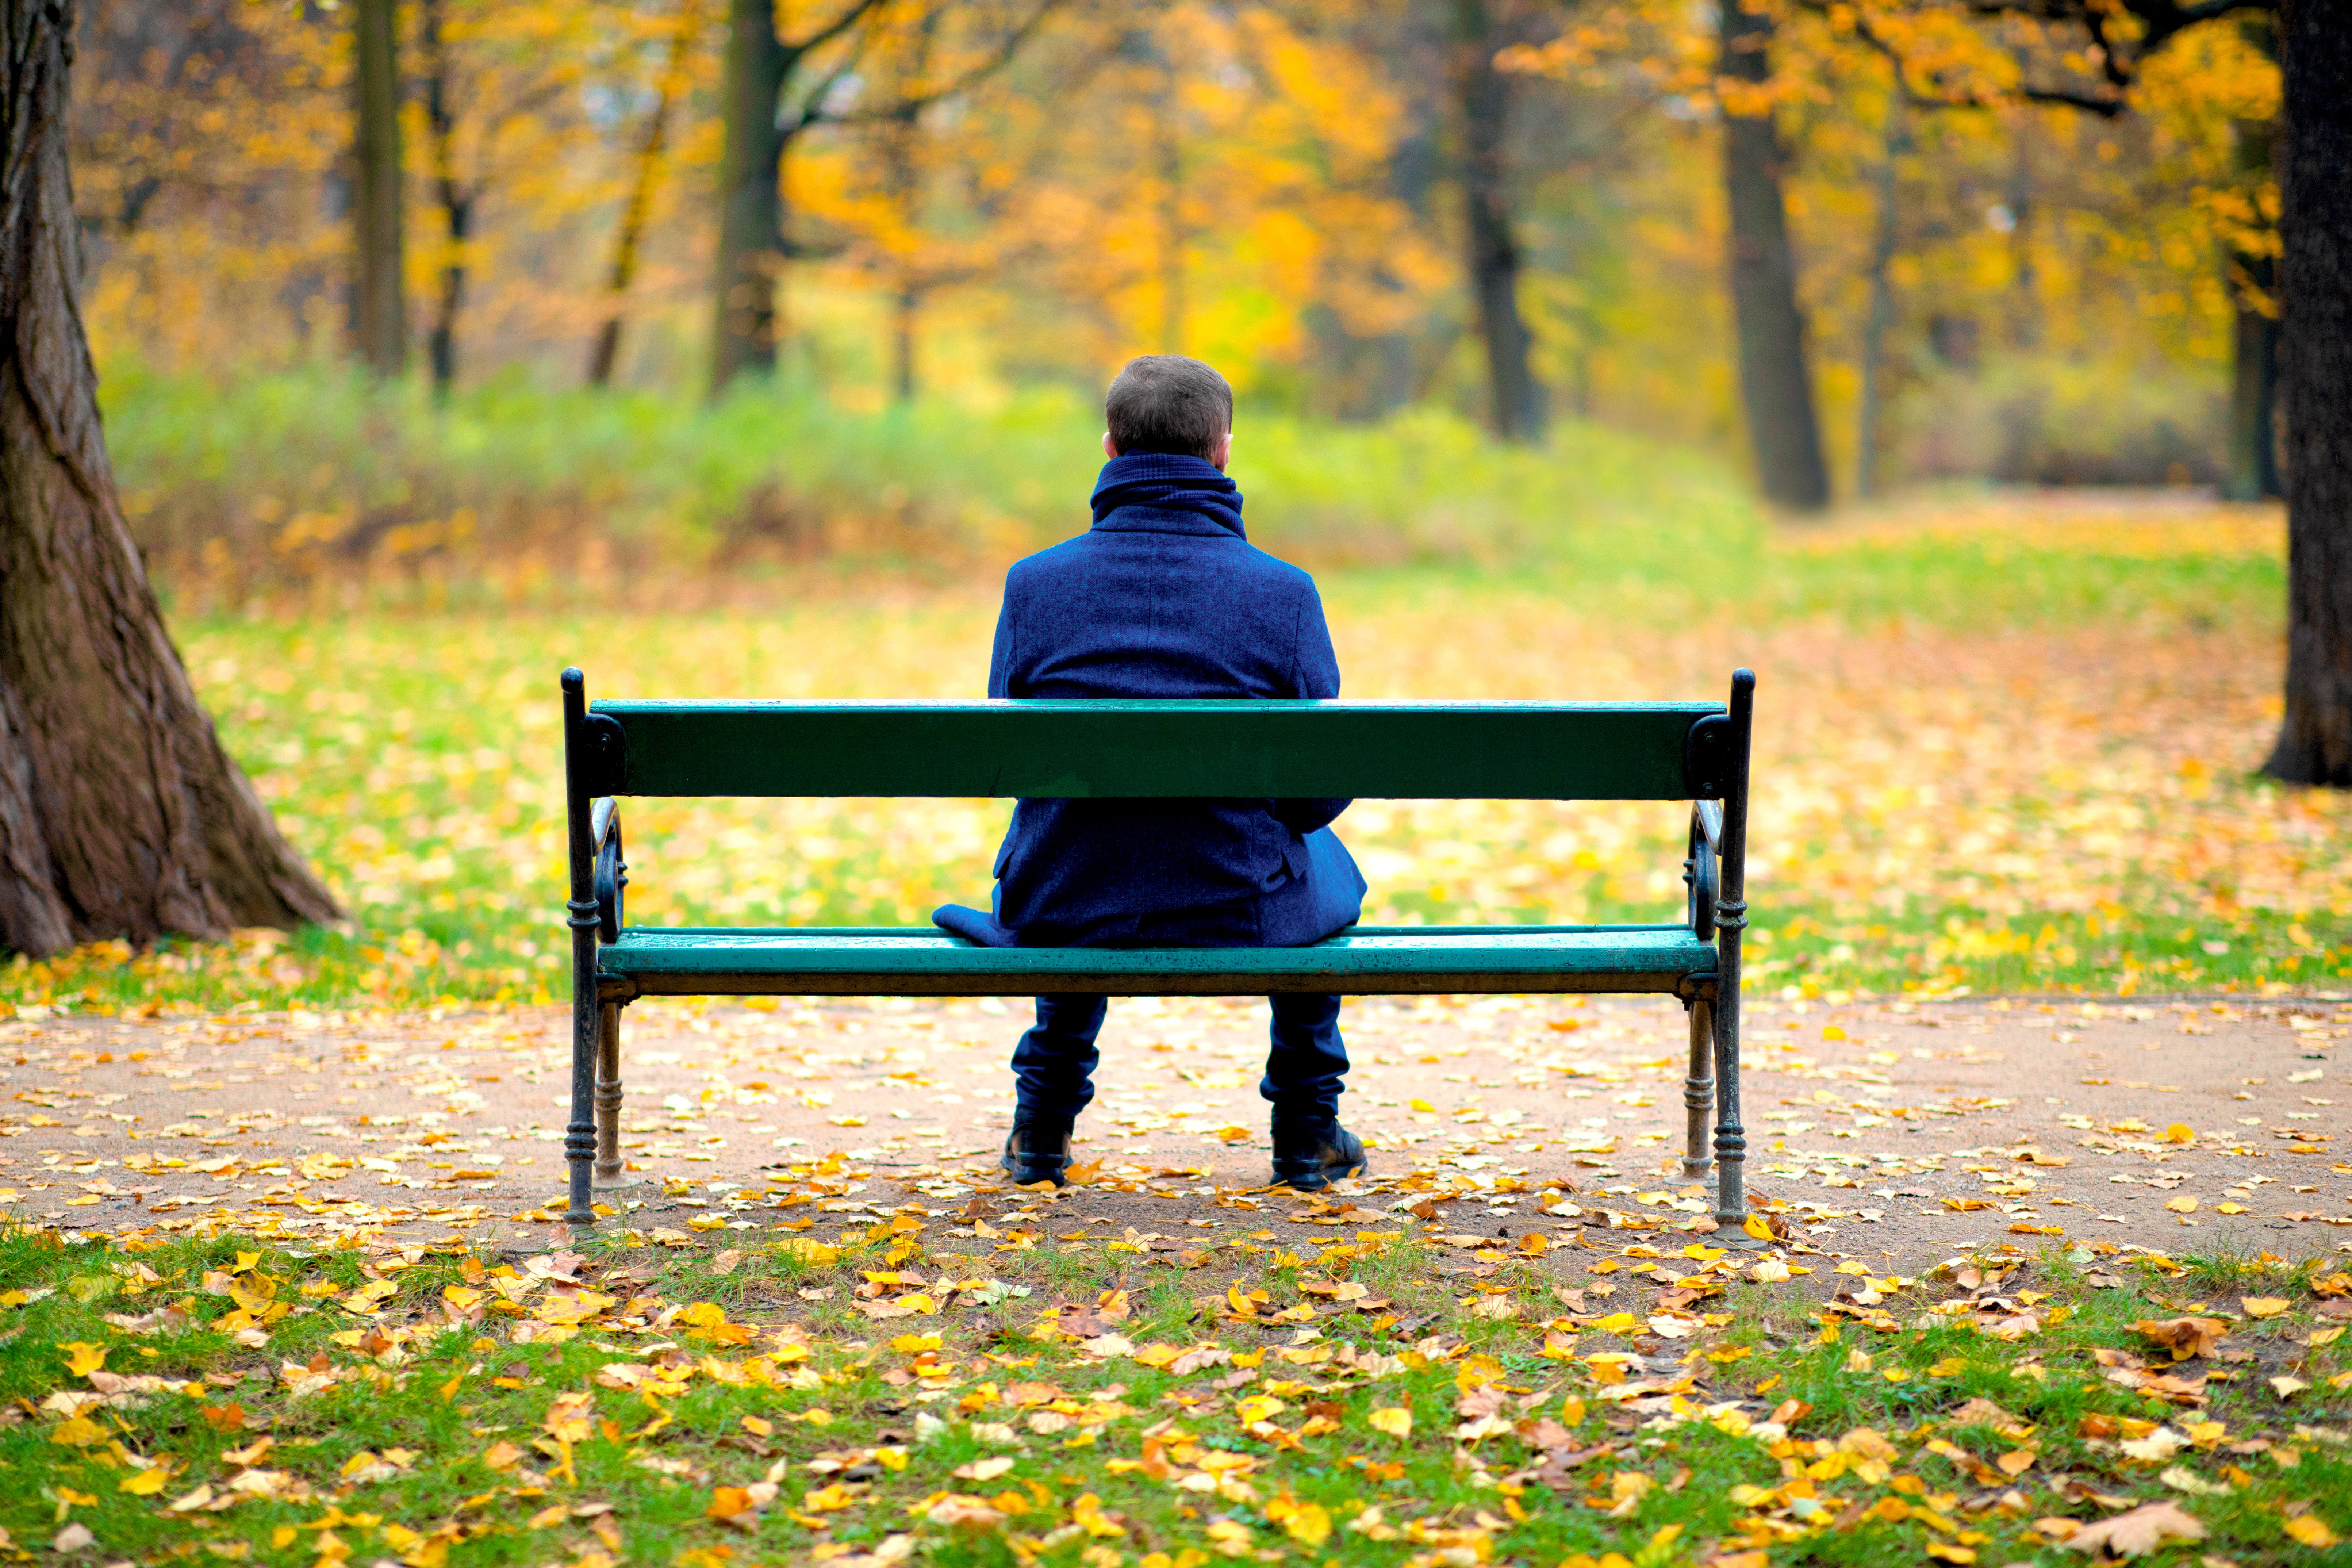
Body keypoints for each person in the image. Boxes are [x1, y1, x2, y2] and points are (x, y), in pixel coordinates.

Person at [932, 354, 1370, 1193]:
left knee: (1083, 843)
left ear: (1108, 447)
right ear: (1223, 452)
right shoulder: (1283, 593)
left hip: (1068, 896)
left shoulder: (1035, 586)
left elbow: (1015, 762)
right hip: (1233, 902)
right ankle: (1306, 1129)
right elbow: (1319, 794)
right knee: (1325, 868)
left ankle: (1040, 1128)